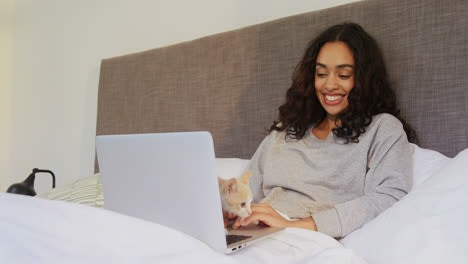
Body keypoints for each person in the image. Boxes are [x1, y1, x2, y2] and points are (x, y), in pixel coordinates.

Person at [232, 22, 416, 239]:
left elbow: (388, 197)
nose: (329, 85)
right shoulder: (285, 131)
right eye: (321, 73)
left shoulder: (382, 128)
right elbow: (247, 190)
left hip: (305, 239)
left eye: (343, 75)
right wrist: (230, 213)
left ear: (364, 79)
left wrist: (293, 225)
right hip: (256, 234)